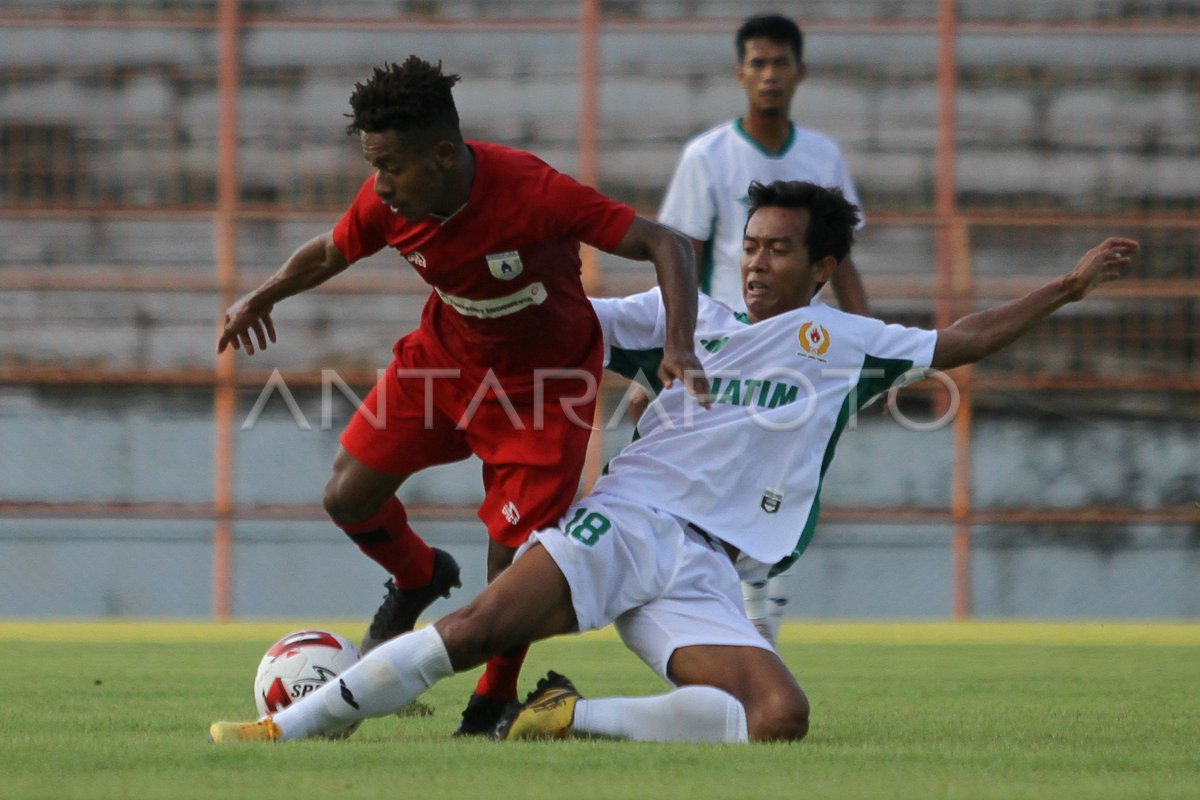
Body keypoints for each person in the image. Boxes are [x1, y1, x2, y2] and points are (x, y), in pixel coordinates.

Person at [209, 180, 1137, 744]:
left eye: (780, 250)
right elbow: (565, 326)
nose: (757, 263)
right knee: (479, 628)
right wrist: (476, 304)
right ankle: (284, 727)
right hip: (630, 522)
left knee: (778, 717)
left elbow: (963, 339)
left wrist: (1069, 286)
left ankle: (568, 718)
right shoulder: (684, 320)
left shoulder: (842, 340)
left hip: (702, 567)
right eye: (752, 246)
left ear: (820, 268)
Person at [215, 56, 707, 736]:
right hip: (444, 367)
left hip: (542, 393)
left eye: (391, 166)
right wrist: (257, 297)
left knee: (511, 560)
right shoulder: (389, 203)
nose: (380, 185)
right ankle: (419, 575)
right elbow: (330, 252)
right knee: (347, 496)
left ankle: (491, 702)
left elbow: (668, 243)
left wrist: (678, 347)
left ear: (442, 155)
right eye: (373, 165)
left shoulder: (534, 192)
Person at [658, 13, 872, 644]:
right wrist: (680, 343)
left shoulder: (823, 155)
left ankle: (755, 628)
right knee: (723, 485)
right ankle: (735, 625)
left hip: (801, 348)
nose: (770, 75)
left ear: (799, 72)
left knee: (779, 482)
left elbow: (842, 258)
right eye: (758, 63)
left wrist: (865, 341)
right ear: (740, 73)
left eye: (780, 63)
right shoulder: (707, 156)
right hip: (727, 344)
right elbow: (682, 257)